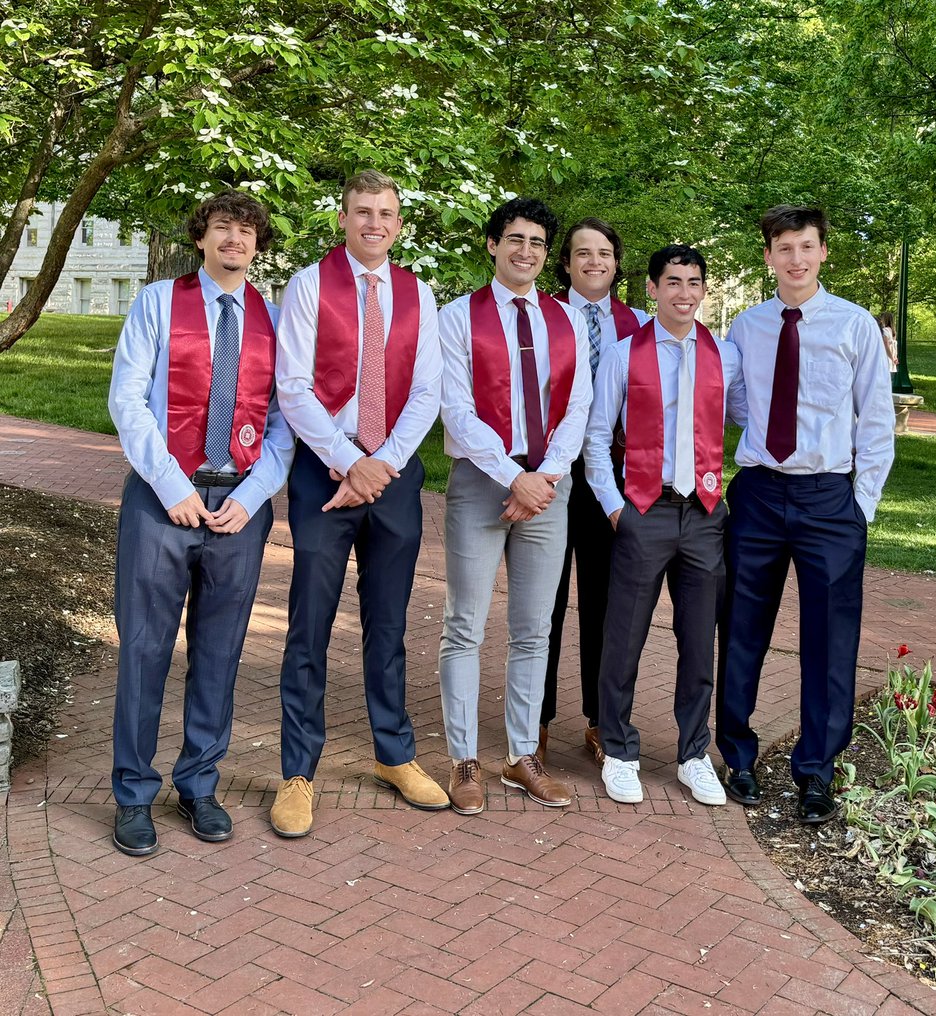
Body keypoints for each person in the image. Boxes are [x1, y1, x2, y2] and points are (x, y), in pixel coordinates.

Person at [107, 191, 293, 856]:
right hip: (163, 503)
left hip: (239, 508)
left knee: (218, 653)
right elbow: (128, 399)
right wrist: (170, 484)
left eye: (246, 231)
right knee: (145, 649)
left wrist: (256, 493)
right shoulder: (159, 302)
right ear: (202, 237)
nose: (234, 240)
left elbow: (282, 423)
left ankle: (198, 783)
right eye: (223, 228)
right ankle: (132, 792)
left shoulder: (273, 320)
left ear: (258, 243)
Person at [270, 169, 446, 838]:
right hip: (326, 471)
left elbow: (426, 391)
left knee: (389, 626)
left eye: (387, 212)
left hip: (394, 474)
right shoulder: (311, 285)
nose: (374, 222)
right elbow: (292, 386)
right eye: (363, 211)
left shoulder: (418, 293)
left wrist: (382, 466)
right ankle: (297, 770)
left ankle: (393, 753)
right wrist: (349, 463)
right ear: (343, 218)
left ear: (399, 223)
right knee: (309, 624)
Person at [716, 205, 894, 823]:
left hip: (829, 500)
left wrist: (859, 505)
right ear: (768, 257)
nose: (795, 258)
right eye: (783, 247)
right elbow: (734, 404)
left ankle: (817, 770)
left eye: (806, 246)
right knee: (741, 629)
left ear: (824, 253)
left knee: (829, 639)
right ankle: (737, 756)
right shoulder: (747, 326)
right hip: (759, 495)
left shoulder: (855, 325)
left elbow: (876, 420)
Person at [437, 197, 592, 814]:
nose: (525, 251)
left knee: (534, 629)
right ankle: (464, 758)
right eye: (514, 239)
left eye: (536, 242)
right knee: (464, 625)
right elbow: (457, 408)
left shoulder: (568, 320)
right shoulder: (456, 317)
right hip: (481, 483)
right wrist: (513, 476)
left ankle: (522, 755)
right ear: (493, 245)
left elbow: (577, 404)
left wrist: (546, 475)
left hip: (549, 490)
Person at [586, 244, 744, 806]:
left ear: (704, 289)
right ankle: (621, 750)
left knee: (700, 640)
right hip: (644, 511)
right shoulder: (626, 354)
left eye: (694, 282)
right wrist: (615, 508)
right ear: (651, 289)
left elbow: (747, 423)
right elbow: (596, 437)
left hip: (703, 515)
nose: (684, 293)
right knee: (623, 636)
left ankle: (693, 753)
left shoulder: (725, 357)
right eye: (672, 282)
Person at [542, 218, 649, 766]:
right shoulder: (539, 315)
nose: (593, 262)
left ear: (616, 262)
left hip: (614, 478)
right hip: (551, 472)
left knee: (607, 602)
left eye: (604, 253)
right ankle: (532, 721)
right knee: (545, 600)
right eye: (582, 253)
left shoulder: (641, 326)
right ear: (565, 263)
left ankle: (600, 719)